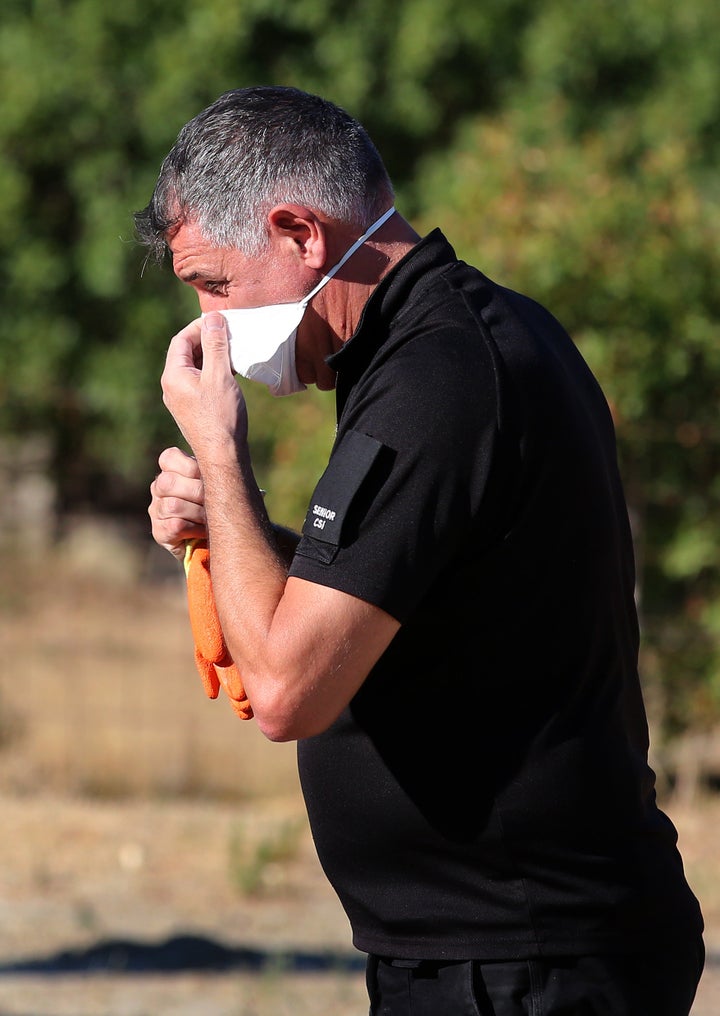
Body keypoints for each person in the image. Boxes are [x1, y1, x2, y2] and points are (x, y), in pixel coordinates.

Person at [137, 85, 704, 1015]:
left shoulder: (438, 375)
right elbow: (396, 590)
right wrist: (234, 531)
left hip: (529, 959)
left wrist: (221, 458)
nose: (214, 332)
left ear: (299, 233)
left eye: (217, 288)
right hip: (499, 951)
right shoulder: (452, 339)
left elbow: (288, 688)